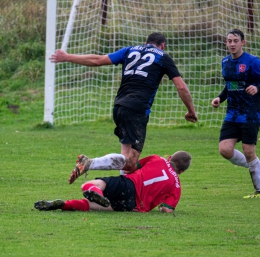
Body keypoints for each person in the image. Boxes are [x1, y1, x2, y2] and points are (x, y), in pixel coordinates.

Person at [49, 32, 198, 183]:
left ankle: (123, 195)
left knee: (126, 161)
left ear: (145, 42)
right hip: (137, 109)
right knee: (131, 162)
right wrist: (191, 111)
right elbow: (181, 87)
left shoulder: (129, 50)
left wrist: (67, 57)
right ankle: (90, 163)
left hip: (119, 106)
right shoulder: (162, 56)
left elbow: (97, 60)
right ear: (163, 46)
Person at [34, 151, 191, 213]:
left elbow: (131, 167)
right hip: (134, 206)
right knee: (93, 206)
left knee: (91, 185)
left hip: (130, 184)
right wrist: (161, 206)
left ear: (170, 157)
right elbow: (167, 210)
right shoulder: (176, 186)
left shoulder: (157, 159)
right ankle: (65, 205)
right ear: (182, 172)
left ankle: (95, 192)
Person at [211, 29, 260, 198]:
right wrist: (219, 98)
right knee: (225, 149)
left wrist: (257, 87)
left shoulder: (253, 61)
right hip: (232, 114)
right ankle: (255, 165)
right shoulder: (225, 62)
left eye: (235, 41)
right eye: (229, 41)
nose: (232, 44)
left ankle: (259, 190)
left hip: (250, 113)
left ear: (243, 43)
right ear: (226, 43)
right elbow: (230, 85)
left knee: (248, 151)